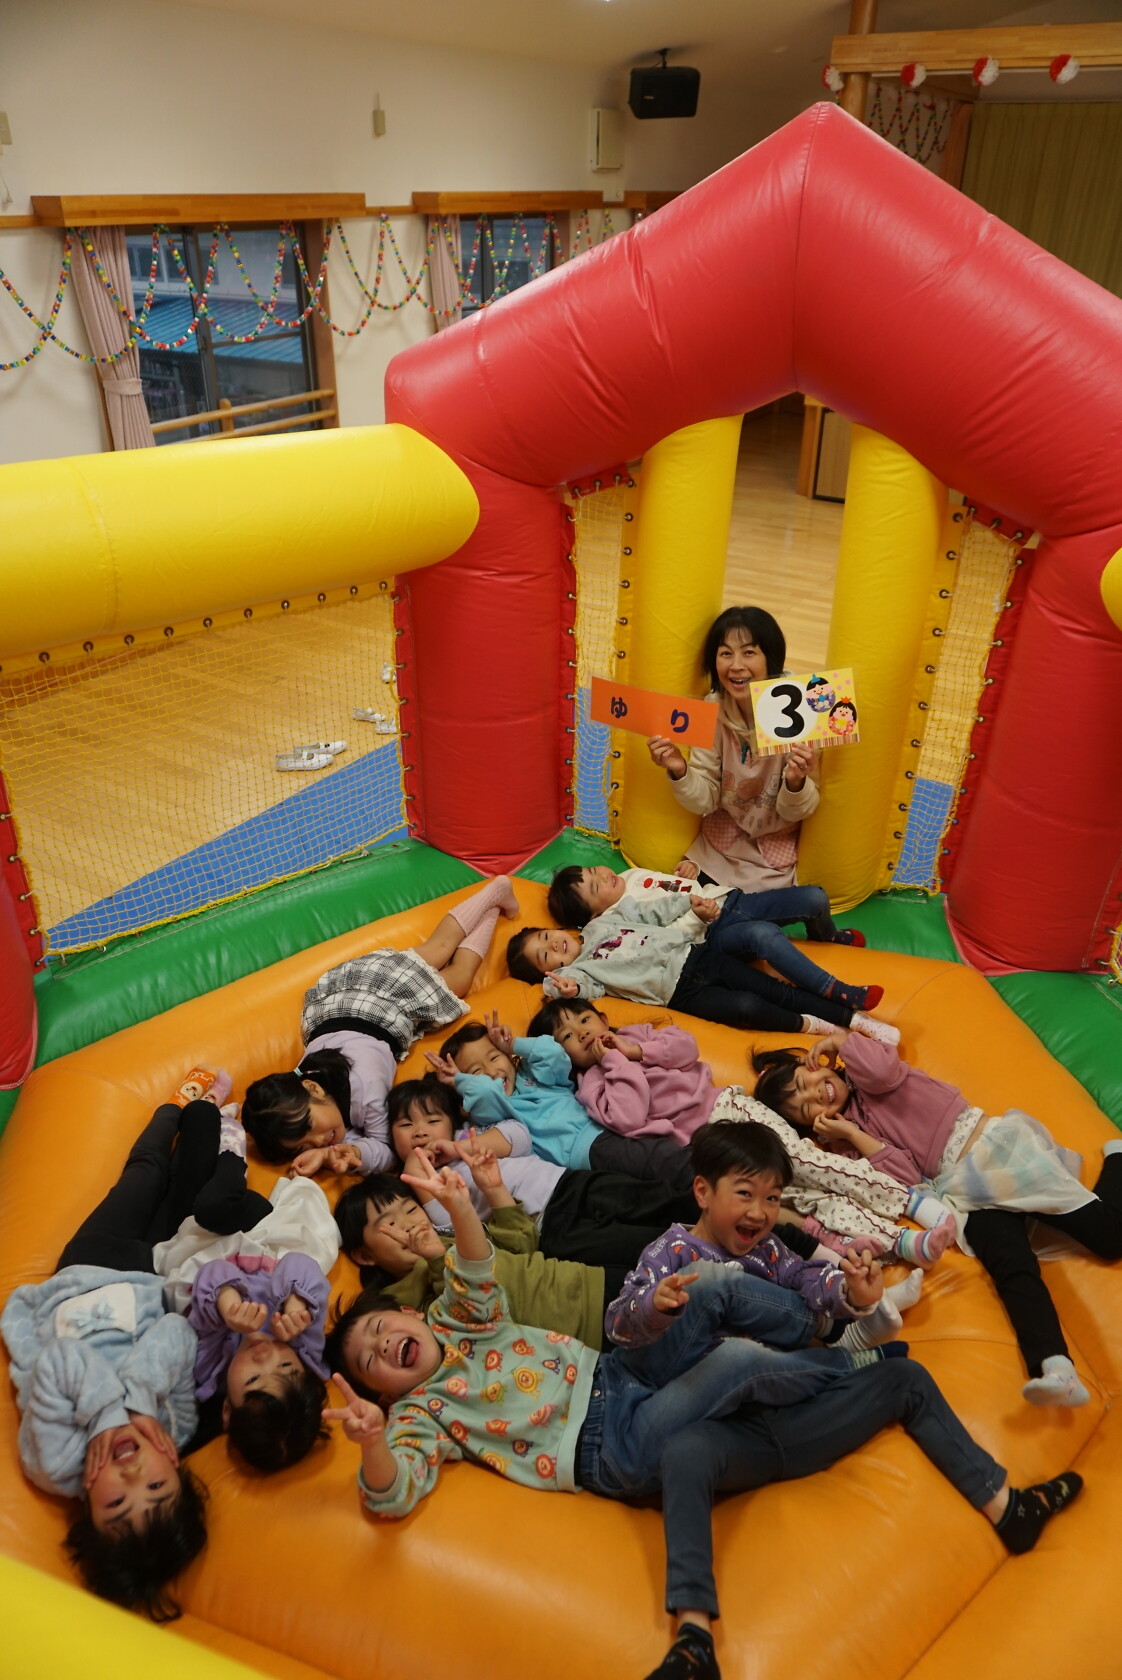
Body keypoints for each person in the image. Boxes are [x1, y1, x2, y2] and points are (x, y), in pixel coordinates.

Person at [325, 1153, 1082, 1680]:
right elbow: (391, 1492)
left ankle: (978, 1478)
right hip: (609, 1441)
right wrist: (371, 1442)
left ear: (415, 1316)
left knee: (713, 1282)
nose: (383, 1343)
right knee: (733, 1366)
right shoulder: (421, 1413)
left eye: (381, 1328)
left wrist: (459, 1201)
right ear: (381, 1391)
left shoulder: (463, 1321)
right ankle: (845, 1362)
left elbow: (476, 1266)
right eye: (369, 1358)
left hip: (619, 1375)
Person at [752, 1030, 1122, 1407]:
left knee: (1110, 1239)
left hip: (1002, 1153)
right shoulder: (845, 1144)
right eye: (805, 1108)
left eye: (805, 1081)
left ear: (815, 1063)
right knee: (1012, 1267)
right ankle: (1055, 1368)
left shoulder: (870, 1077)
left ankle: (1117, 1158)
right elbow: (906, 1176)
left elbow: (882, 1069)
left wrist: (839, 1042)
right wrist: (850, 1133)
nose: (815, 1094)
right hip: (964, 1190)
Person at [0, 1083, 233, 1618]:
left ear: (86, 1504)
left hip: (84, 1270)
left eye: (117, 1503)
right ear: (173, 1464)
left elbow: (60, 1362)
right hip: (145, 1278)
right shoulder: (172, 1426)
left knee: (145, 1174)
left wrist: (108, 1415)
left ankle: (178, 1110)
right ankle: (187, 1108)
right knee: (173, 1192)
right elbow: (176, 1335)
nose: (132, 1477)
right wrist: (143, 1400)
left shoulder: (55, 1460)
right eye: (156, 1485)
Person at [528, 998, 956, 1269]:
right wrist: (615, 1064)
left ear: (603, 1017)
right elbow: (629, 1115)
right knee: (794, 1197)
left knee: (804, 1161)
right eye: (568, 1036)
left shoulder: (635, 1036)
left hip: (727, 1108)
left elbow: (685, 1048)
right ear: (562, 1056)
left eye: (584, 1019)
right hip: (709, 1146)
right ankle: (898, 1241)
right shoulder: (592, 1086)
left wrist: (635, 1050)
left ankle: (909, 1202)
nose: (583, 1032)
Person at [241, 876, 520, 1177]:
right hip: (339, 1001)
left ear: (313, 1088)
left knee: (458, 973)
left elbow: (388, 1150)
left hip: (384, 1005)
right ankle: (493, 901)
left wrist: (354, 1153)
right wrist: (324, 1154)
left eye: (309, 1127)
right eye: (301, 1147)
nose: (318, 1141)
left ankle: (493, 895)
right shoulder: (304, 1076)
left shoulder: (366, 1089)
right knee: (435, 948)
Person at [604, 1120, 920, 1353]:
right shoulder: (671, 1251)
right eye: (745, 1193)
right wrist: (653, 1305)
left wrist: (848, 1290)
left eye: (771, 1198)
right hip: (709, 1378)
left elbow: (806, 1276)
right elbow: (617, 1328)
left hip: (778, 1366)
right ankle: (845, 1349)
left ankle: (849, 1335)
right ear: (703, 1192)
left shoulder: (767, 1248)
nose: (758, 1212)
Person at [380, 1073, 704, 1268]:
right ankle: (705, 1256)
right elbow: (450, 1225)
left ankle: (717, 1214)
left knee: (654, 1200)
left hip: (567, 1183)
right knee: (638, 1244)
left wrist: (458, 1148)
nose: (420, 1132)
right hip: (547, 1229)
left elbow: (520, 1136)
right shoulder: (415, 1187)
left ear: (453, 1124)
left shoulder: (471, 1137)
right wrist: (416, 1169)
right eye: (406, 1125)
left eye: (432, 1120)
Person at [506, 889, 897, 1043]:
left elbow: (650, 912)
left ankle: (855, 1019)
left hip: (697, 955)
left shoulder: (601, 924)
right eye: (546, 956)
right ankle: (812, 1024)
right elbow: (567, 988)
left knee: (773, 989)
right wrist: (564, 987)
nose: (553, 946)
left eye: (546, 937)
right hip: (682, 994)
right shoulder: (581, 972)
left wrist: (685, 902)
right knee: (747, 1006)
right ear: (550, 970)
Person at [646, 605, 819, 892]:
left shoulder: (800, 707)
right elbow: (705, 800)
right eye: (726, 653)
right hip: (719, 845)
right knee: (680, 896)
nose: (736, 665)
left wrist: (796, 782)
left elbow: (800, 811)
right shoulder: (712, 709)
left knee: (793, 903)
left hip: (774, 851)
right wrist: (680, 770)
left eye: (749, 652)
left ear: (771, 658)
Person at [428, 1013, 698, 1188]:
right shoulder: (494, 1111)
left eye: (494, 1057)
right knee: (660, 1160)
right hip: (585, 1151)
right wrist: (459, 1081)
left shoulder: (533, 1075)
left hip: (608, 1129)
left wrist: (513, 1045)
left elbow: (554, 1054)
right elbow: (486, 1092)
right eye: (476, 1071)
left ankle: (706, 1186)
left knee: (660, 1166)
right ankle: (711, 1182)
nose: (491, 1072)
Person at [548, 863, 870, 1004]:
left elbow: (678, 886)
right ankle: (831, 989)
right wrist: (699, 916)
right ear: (595, 916)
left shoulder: (628, 875)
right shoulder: (617, 922)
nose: (604, 877)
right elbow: (667, 939)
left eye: (594, 871)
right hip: (712, 935)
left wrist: (692, 869)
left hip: (731, 899)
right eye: (596, 887)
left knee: (814, 897)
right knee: (764, 935)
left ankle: (825, 935)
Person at [186, 1249, 330, 1473]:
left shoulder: (211, 1367)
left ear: (227, 1410)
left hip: (218, 1253)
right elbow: (300, 1261)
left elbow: (212, 1270)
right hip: (268, 1255)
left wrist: (229, 1309)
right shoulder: (304, 1348)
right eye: (285, 1366)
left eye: (253, 1379)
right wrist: (296, 1308)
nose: (264, 1356)